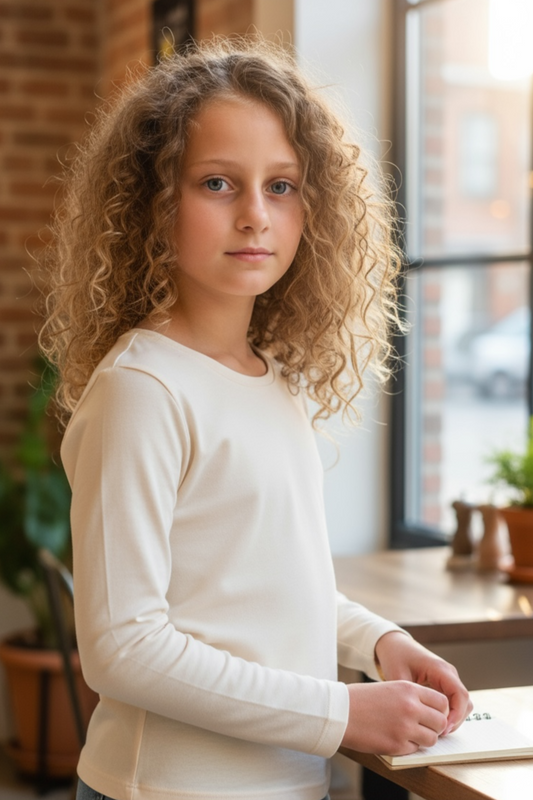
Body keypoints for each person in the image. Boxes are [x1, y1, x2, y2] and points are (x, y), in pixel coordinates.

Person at [40, 36, 472, 800]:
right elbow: (122, 648)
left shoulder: (273, 380)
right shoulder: (143, 390)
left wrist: (380, 642)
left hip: (287, 784)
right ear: (151, 204)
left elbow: (273, 583)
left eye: (282, 186)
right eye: (216, 183)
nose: (254, 216)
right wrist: (338, 712)